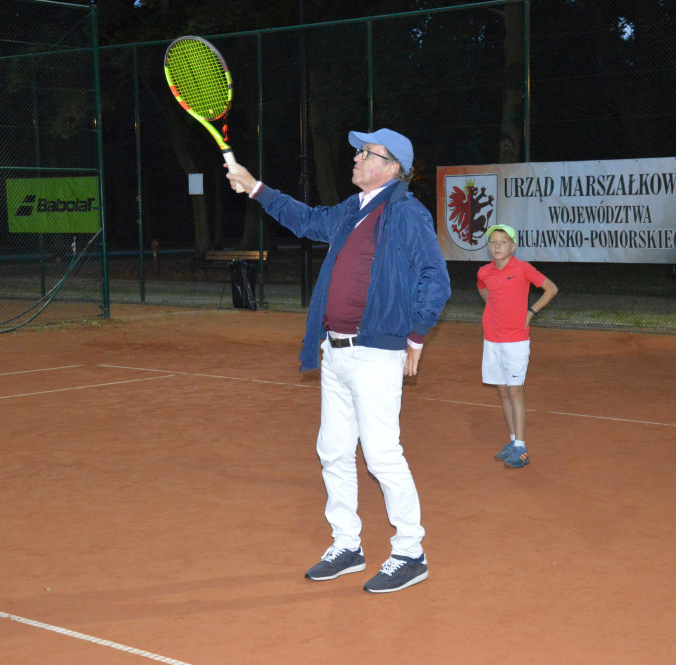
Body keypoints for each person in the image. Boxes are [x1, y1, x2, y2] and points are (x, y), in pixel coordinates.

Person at [225, 128, 450, 594]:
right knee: (333, 451)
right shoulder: (351, 210)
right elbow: (305, 219)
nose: (355, 157)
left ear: (392, 167)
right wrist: (254, 186)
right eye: (357, 151)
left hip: (375, 353)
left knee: (383, 456)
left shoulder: (406, 212)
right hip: (335, 350)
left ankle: (411, 552)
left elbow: (435, 276)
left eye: (365, 153)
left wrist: (417, 335)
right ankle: (347, 544)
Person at [477, 224, 558, 469]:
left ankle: (521, 449)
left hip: (515, 341)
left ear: (513, 246)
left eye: (503, 242)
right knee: (502, 391)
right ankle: (512, 442)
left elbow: (551, 289)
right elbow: (483, 289)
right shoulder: (484, 271)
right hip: (491, 339)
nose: (497, 246)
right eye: (493, 242)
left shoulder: (523, 268)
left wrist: (531, 312)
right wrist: (493, 308)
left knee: (515, 391)